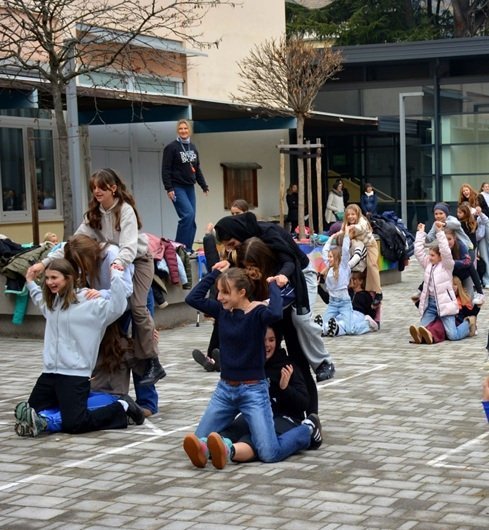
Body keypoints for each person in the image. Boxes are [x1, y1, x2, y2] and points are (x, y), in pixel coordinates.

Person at [27, 169, 166, 387]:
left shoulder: (125, 210)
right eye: (93, 188)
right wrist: (43, 263)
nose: (97, 191)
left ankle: (153, 362)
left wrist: (118, 264)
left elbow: (129, 247)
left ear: (113, 188)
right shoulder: (93, 214)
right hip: (115, 264)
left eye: (101, 187)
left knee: (138, 307)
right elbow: (72, 243)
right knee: (116, 320)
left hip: (137, 260)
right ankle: (115, 386)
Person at [183, 264, 321, 466]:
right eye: (218, 292)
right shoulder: (222, 312)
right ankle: (217, 447)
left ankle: (307, 430)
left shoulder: (257, 314)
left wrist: (274, 285)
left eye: (225, 292)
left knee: (269, 453)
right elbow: (192, 299)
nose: (219, 297)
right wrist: (215, 273)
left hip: (253, 391)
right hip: (225, 391)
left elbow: (275, 313)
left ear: (242, 292)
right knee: (199, 440)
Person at [14, 259, 144, 437]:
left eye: (54, 277)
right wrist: (30, 281)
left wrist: (116, 277)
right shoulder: (53, 303)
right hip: (49, 374)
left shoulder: (90, 303)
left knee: (74, 423)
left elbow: (117, 307)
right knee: (29, 414)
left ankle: (121, 406)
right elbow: (39, 299)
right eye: (47, 278)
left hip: (74, 375)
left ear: (68, 278)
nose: (50, 282)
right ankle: (75, 406)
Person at [213, 211, 335, 383]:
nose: (231, 249)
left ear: (238, 233)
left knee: (301, 319)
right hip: (276, 279)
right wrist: (230, 263)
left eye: (232, 244)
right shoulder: (246, 241)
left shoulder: (268, 233)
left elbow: (290, 261)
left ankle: (324, 362)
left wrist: (281, 277)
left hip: (300, 273)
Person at [183, 325, 319, 469]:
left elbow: (303, 403)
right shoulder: (250, 365)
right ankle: (205, 448)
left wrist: (285, 389)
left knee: (255, 439)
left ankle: (228, 451)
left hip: (285, 417)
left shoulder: (287, 366)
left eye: (271, 340)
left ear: (278, 341)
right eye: (263, 340)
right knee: (232, 430)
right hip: (258, 412)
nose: (267, 345)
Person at [411, 222, 470, 341]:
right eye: (429, 255)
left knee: (453, 336)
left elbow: (445, 251)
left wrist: (440, 232)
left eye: (432, 255)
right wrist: (420, 233)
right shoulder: (428, 264)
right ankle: (422, 337)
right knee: (423, 329)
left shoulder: (447, 265)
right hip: (431, 305)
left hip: (445, 304)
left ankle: (468, 325)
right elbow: (418, 252)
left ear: (440, 257)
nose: (429, 257)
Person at [161, 119, 209, 252]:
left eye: (185, 128)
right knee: (187, 215)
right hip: (177, 187)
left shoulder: (192, 147)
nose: (183, 131)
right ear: (178, 131)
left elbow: (196, 169)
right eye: (181, 129)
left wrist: (203, 185)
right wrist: (169, 188)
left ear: (190, 131)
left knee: (191, 219)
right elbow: (165, 169)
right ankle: (178, 249)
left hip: (189, 187)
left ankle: (187, 249)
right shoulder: (171, 148)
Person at [410, 276, 478, 344]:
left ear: (459, 286)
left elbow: (471, 312)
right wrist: (417, 302)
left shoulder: (462, 299)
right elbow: (431, 308)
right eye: (451, 285)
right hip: (443, 319)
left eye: (455, 285)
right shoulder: (445, 299)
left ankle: (430, 336)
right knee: (434, 325)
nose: (453, 287)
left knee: (439, 327)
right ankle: (421, 337)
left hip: (456, 322)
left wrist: (477, 308)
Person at [342, 204, 383, 307]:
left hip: (369, 246)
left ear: (358, 214)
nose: (350, 217)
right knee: (357, 268)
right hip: (358, 246)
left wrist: (352, 227)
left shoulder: (362, 221)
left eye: (353, 214)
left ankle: (378, 292)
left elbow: (361, 228)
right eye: (348, 215)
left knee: (371, 265)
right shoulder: (346, 225)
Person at [321, 226, 353, 336]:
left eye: (331, 257)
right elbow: (324, 250)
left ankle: (337, 326)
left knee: (350, 330)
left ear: (337, 258)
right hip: (333, 303)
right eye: (328, 257)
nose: (329, 259)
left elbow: (345, 250)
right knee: (323, 326)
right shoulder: (329, 268)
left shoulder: (343, 267)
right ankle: (329, 326)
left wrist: (346, 234)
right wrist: (333, 237)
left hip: (344, 303)